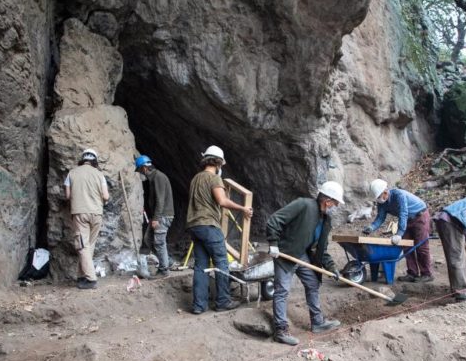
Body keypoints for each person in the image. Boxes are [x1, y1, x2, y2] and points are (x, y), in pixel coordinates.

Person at [266, 181, 345, 346]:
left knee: (313, 282)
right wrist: (273, 243)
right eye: (335, 203)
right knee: (282, 291)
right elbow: (274, 220)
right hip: (285, 253)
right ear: (327, 200)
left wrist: (332, 268)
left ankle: (317, 322)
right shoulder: (303, 205)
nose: (335, 207)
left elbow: (321, 249)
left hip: (301, 254)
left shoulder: (325, 220)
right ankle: (280, 330)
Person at [185, 145, 253, 314]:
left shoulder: (195, 178)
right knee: (222, 262)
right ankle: (223, 301)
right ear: (219, 163)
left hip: (194, 226)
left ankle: (199, 306)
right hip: (209, 225)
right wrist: (243, 208)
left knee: (201, 266)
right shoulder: (214, 178)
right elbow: (222, 201)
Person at [363, 179, 434, 283]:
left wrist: (399, 233)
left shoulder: (399, 195)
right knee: (406, 245)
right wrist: (371, 227)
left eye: (378, 197)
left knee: (420, 246)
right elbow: (380, 218)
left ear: (385, 192)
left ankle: (426, 274)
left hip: (420, 216)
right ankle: (412, 273)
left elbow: (403, 213)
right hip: (407, 220)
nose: (378, 200)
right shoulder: (382, 202)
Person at [64, 148, 110, 289]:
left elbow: (67, 196)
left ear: (82, 159)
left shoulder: (71, 173)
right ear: (94, 161)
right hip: (97, 214)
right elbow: (106, 196)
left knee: (82, 246)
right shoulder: (99, 174)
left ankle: (91, 279)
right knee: (88, 246)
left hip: (80, 213)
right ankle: (82, 276)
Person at [135, 155, 174, 277]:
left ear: (144, 168)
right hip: (158, 215)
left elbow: (160, 200)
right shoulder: (153, 178)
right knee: (148, 239)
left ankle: (164, 270)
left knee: (159, 242)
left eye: (140, 170)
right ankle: (168, 261)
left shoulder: (158, 177)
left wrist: (156, 218)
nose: (141, 173)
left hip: (163, 216)